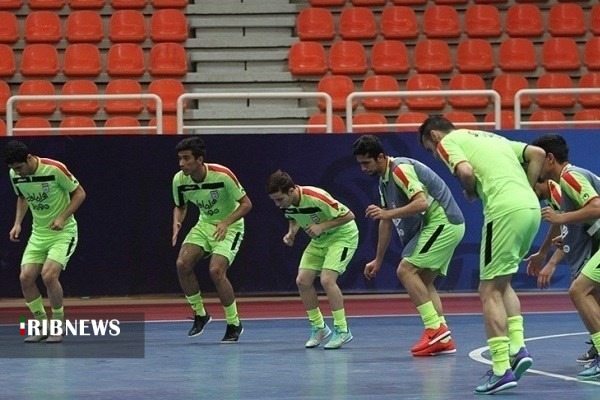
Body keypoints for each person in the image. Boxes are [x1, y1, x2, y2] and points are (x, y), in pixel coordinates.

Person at [418, 116, 546, 394]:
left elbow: (465, 172)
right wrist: (525, 188)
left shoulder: (448, 142)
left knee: (488, 290)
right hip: (530, 209)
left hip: (503, 211)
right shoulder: (492, 138)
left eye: (430, 149)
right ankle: (517, 346)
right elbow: (537, 154)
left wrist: (470, 191)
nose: (435, 155)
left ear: (435, 136)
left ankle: (500, 368)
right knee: (503, 283)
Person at [353, 135, 465, 357]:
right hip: (441, 225)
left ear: (381, 157)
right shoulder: (384, 182)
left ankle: (435, 329)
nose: (363, 168)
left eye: (366, 163)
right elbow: (385, 221)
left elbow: (421, 203)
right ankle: (443, 339)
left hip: (444, 222)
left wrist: (387, 213)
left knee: (405, 270)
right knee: (422, 281)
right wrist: (378, 259)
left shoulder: (399, 169)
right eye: (360, 164)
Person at [531, 134, 600, 380]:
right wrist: (565, 236)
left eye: (537, 160)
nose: (534, 167)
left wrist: (561, 220)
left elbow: (597, 207)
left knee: (579, 290)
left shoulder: (569, 177)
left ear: (549, 159)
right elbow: (582, 220)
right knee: (590, 292)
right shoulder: (565, 181)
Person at [3, 140, 86, 344]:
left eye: (20, 167)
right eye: (14, 169)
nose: (18, 172)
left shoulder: (55, 169)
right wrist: (17, 223)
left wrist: (62, 217)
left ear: (29, 158)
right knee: (26, 278)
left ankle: (58, 324)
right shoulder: (15, 174)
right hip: (38, 234)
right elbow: (22, 197)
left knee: (48, 275)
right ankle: (42, 326)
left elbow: (80, 193)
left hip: (63, 233)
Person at [171, 137, 252, 343]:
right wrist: (177, 222)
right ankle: (200, 314)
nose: (181, 163)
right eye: (180, 159)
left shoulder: (223, 175)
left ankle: (233, 323)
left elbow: (246, 204)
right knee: (182, 264)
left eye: (186, 158)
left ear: (199, 160)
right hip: (205, 224)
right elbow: (180, 206)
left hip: (231, 225)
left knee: (216, 270)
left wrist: (226, 222)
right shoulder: (179, 180)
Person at [266, 170, 358, 349]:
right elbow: (294, 218)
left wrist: (322, 226)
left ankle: (342, 329)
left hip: (343, 236)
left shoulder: (316, 197)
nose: (277, 204)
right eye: (274, 200)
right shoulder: (287, 203)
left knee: (327, 280)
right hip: (320, 240)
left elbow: (349, 216)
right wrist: (291, 233)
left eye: (279, 199)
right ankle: (319, 327)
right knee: (302, 281)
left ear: (291, 190)